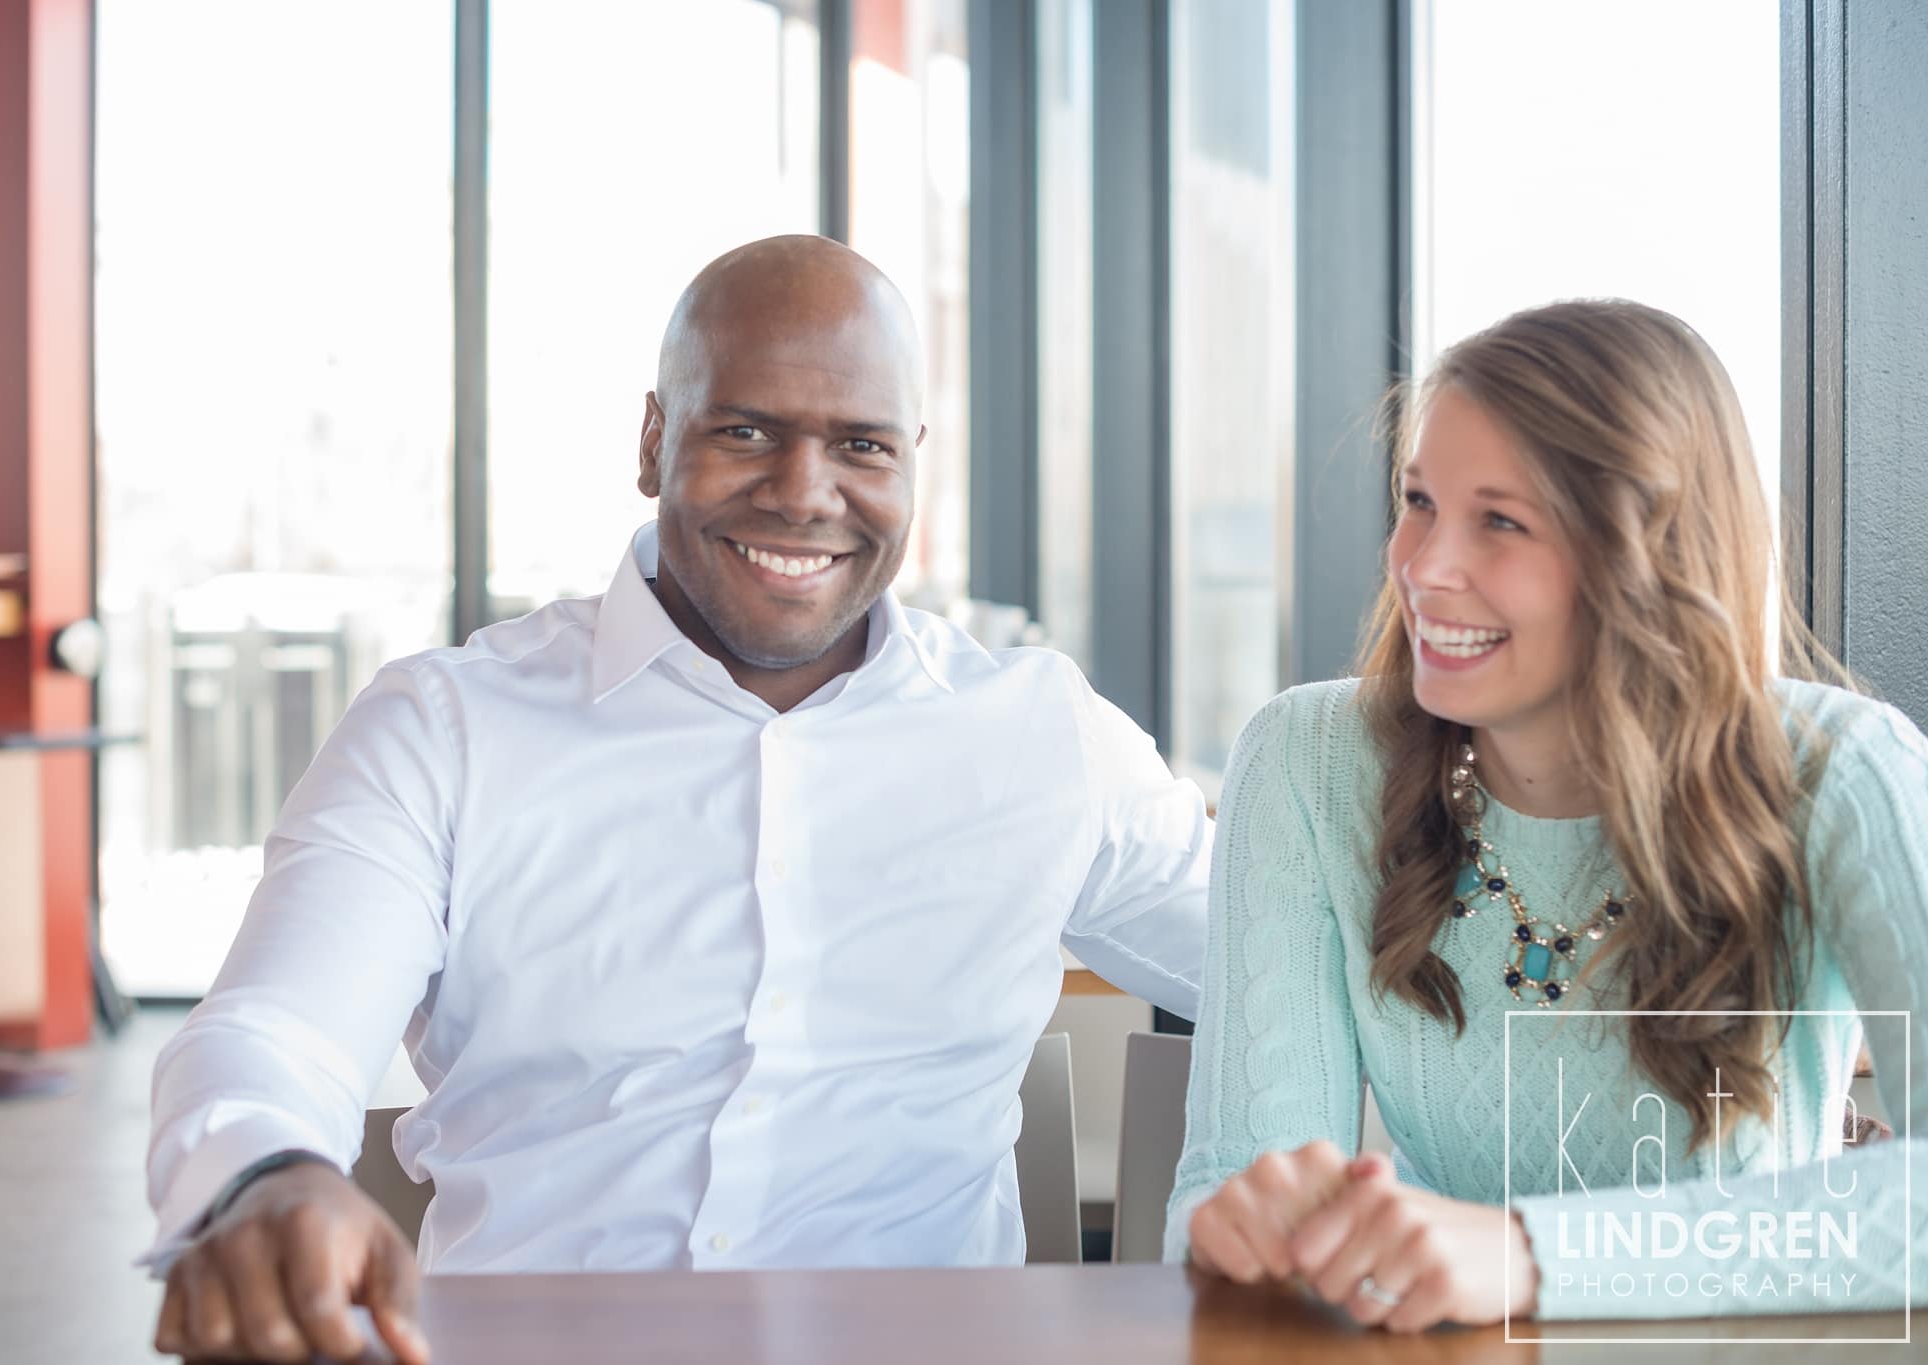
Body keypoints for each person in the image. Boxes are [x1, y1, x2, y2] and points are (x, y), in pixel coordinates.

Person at [146, 235, 1211, 1364]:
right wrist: (266, 1174)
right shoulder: (442, 731)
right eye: (745, 432)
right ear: (655, 440)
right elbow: (276, 1032)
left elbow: (1306, 954)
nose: (805, 496)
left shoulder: (1042, 736)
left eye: (861, 445)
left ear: (913, 462)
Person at [1168, 299, 1928, 1330]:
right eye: (1417, 502)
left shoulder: (1842, 772)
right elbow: (1231, 1183)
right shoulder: (1307, 762)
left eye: (1500, 521)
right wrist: (1245, 1228)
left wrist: (1530, 1258)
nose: (1424, 567)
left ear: (1645, 556)